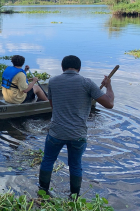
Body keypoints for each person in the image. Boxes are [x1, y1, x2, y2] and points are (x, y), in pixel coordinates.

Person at [39, 55, 114, 198]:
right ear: (79, 69)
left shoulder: (53, 81)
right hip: (77, 135)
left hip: (56, 132)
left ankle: (43, 191)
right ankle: (74, 197)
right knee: (75, 165)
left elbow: (53, 106)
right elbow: (109, 104)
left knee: (48, 160)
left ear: (62, 68)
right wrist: (108, 85)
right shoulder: (87, 83)